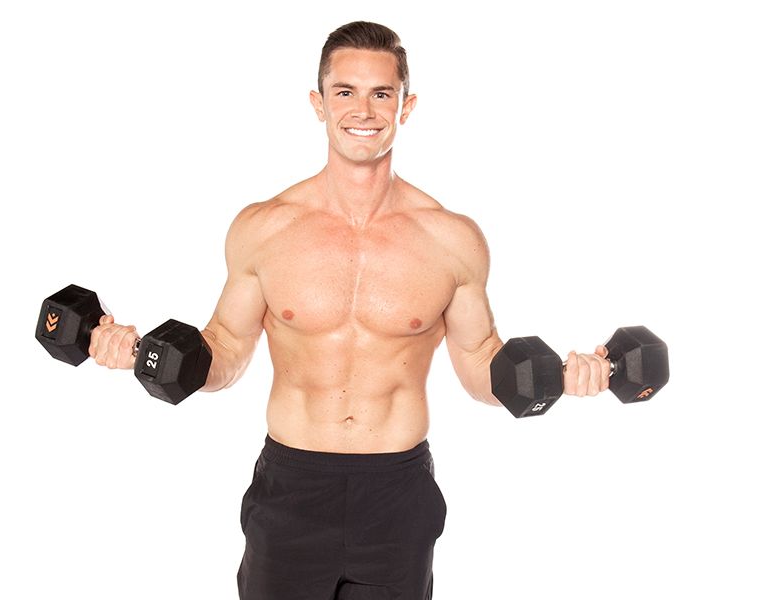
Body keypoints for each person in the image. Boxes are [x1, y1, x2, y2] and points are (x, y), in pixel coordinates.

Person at [87, 21, 611, 600]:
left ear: (406, 106)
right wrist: (141, 354)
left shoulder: (451, 240)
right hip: (290, 486)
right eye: (345, 91)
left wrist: (565, 378)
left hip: (396, 492)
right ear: (318, 103)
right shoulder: (265, 228)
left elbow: (481, 364)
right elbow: (226, 352)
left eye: (381, 93)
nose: (364, 109)